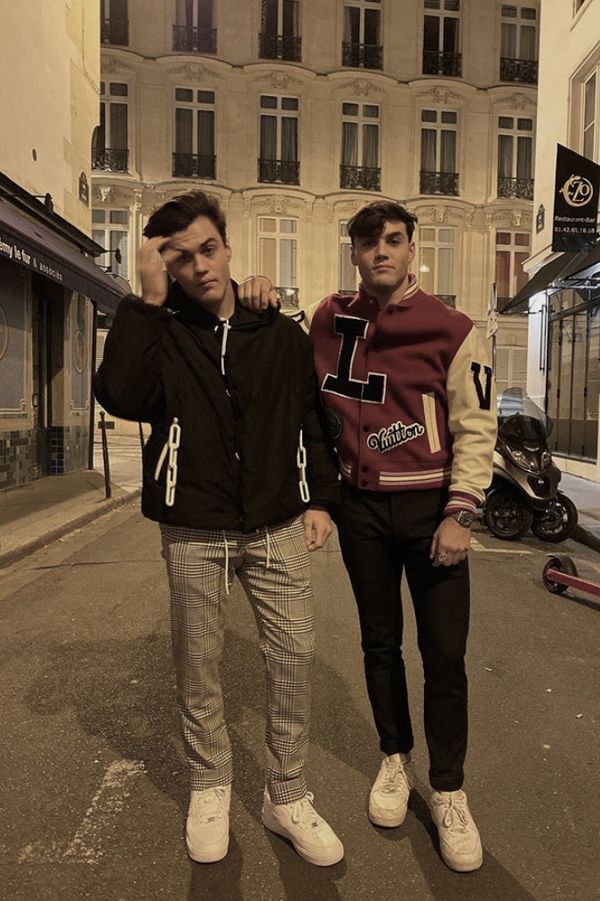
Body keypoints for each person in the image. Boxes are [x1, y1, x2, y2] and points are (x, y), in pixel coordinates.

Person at [240, 201, 497, 873]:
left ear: (412, 248)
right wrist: (258, 301)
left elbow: (476, 427)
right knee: (378, 643)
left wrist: (460, 513)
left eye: (392, 240)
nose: (380, 251)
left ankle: (448, 789)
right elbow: (290, 372)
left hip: (431, 510)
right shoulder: (327, 318)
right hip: (362, 509)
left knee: (444, 654)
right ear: (353, 252)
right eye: (367, 241)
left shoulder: (454, 328)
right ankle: (394, 757)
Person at [94, 190, 343, 867]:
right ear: (165, 265)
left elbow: (311, 421)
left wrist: (320, 499)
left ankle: (286, 793)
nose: (199, 266)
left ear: (228, 247)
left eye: (208, 249)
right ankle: (211, 782)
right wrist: (145, 301)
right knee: (198, 658)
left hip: (277, 521)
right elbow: (119, 394)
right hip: (193, 522)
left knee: (292, 655)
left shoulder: (278, 330)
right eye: (181, 257)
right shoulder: (162, 330)